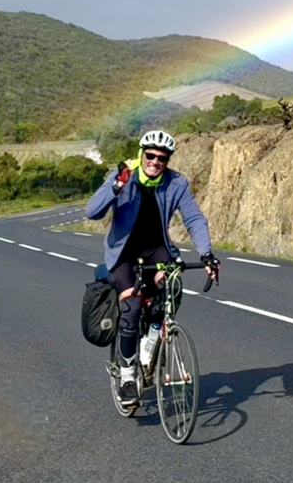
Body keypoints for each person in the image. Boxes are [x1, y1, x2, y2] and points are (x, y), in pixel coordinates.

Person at [86, 129, 219, 404]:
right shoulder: (124, 175)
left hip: (156, 249)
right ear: (142, 153)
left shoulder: (176, 183)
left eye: (162, 158)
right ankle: (127, 377)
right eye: (150, 155)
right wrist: (116, 186)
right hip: (124, 253)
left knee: (171, 286)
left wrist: (206, 253)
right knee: (132, 305)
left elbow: (193, 218)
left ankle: (150, 344)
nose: (155, 162)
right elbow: (92, 211)